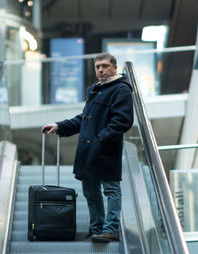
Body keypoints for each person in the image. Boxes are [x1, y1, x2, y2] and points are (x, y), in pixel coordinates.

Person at [42, 52, 134, 243]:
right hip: (89, 151)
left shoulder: (121, 89)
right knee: (90, 192)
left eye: (105, 66)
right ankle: (96, 229)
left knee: (111, 190)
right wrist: (60, 126)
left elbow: (122, 121)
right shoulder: (95, 89)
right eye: (97, 66)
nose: (101, 70)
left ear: (115, 68)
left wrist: (101, 140)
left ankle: (110, 230)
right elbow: (83, 118)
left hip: (106, 149)